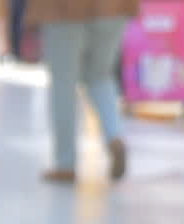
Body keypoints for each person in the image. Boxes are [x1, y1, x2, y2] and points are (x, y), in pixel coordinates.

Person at [26, 0, 141, 183]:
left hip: (64, 10)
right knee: (100, 75)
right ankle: (114, 135)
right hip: (113, 8)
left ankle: (65, 164)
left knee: (63, 82)